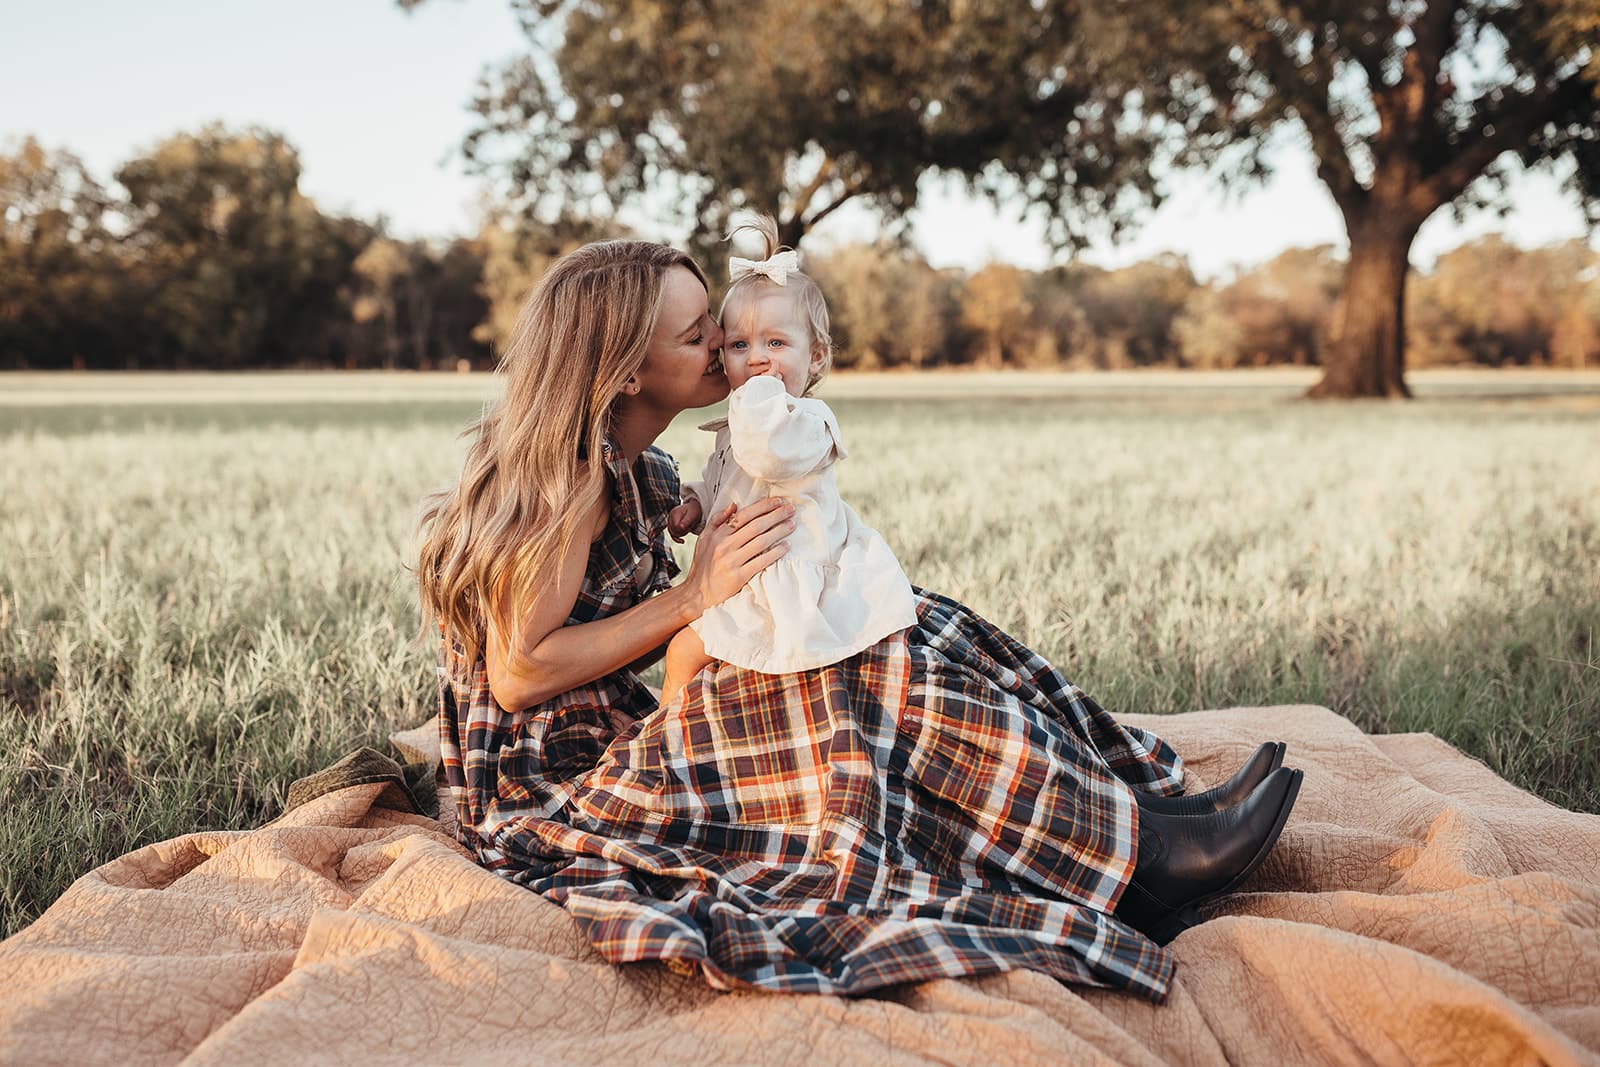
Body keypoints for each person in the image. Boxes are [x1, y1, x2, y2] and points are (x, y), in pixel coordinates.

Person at [417, 237, 1302, 1002]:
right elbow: (519, 672)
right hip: (547, 779)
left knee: (909, 628)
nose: (732, 358)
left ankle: (1129, 812)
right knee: (843, 679)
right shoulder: (566, 478)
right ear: (625, 370)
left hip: (614, 721)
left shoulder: (636, 467)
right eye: (702, 341)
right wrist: (692, 599)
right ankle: (1137, 866)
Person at [656, 217, 917, 707]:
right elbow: (729, 484)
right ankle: (675, 734)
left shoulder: (804, 422)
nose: (756, 358)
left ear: (816, 357)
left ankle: (660, 738)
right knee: (694, 657)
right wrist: (695, 502)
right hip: (745, 576)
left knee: (685, 652)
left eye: (775, 343)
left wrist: (755, 398)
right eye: (739, 345)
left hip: (788, 581)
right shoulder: (750, 421)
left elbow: (766, 458)